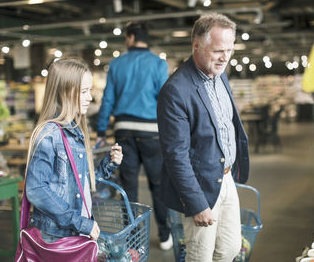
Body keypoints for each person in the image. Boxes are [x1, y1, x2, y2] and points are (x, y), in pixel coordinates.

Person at [157, 13, 250, 262]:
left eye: (229, 49)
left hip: (226, 179)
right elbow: (176, 155)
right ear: (197, 45)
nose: (225, 57)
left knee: (231, 248)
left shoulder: (220, 75)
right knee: (200, 256)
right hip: (201, 186)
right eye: (219, 50)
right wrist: (196, 203)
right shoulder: (176, 91)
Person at [25, 58, 123, 243]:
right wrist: (79, 222)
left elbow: (79, 182)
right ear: (65, 92)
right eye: (84, 91)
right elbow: (36, 188)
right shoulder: (50, 134)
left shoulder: (74, 131)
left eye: (89, 91)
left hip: (73, 231)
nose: (89, 97)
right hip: (57, 236)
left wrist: (108, 164)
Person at [96, 21, 172, 250]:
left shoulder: (117, 64)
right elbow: (166, 98)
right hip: (152, 132)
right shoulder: (159, 63)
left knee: (128, 188)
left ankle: (132, 239)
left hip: (124, 130)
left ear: (130, 38)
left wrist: (101, 130)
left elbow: (107, 99)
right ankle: (165, 235)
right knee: (158, 185)